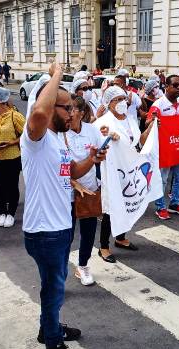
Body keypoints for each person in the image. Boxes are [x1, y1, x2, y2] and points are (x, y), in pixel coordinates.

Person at [21, 63, 108, 349]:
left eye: (74, 107)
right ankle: (53, 343)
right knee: (54, 287)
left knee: (53, 284)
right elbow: (40, 114)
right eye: (67, 107)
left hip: (60, 225)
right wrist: (56, 74)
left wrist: (91, 159)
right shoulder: (36, 138)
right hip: (44, 230)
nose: (74, 113)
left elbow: (69, 172)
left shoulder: (59, 140)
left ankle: (50, 327)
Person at [93, 86, 141, 263]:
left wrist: (152, 127)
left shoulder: (130, 120)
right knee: (110, 208)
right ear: (108, 103)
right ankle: (104, 247)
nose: (122, 103)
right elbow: (94, 144)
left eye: (124, 99)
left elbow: (138, 141)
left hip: (130, 171)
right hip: (112, 171)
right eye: (117, 100)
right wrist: (105, 136)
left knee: (128, 204)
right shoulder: (103, 122)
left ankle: (121, 238)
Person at [67, 96, 109, 284]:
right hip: (66, 192)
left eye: (72, 109)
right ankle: (58, 272)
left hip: (89, 190)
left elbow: (101, 154)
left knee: (88, 232)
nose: (68, 113)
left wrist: (109, 141)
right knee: (65, 235)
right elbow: (57, 166)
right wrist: (74, 183)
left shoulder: (91, 130)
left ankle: (83, 266)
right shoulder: (59, 134)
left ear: (82, 113)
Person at [149, 74, 179, 219]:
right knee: (163, 179)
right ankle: (160, 207)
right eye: (175, 85)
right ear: (166, 87)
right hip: (163, 149)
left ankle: (175, 203)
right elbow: (148, 124)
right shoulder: (158, 105)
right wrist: (154, 123)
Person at [0, 86, 25, 228]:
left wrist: (10, 143)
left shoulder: (15, 116)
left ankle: (11, 214)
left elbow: (26, 136)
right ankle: (2, 213)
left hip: (12, 157)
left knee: (12, 186)